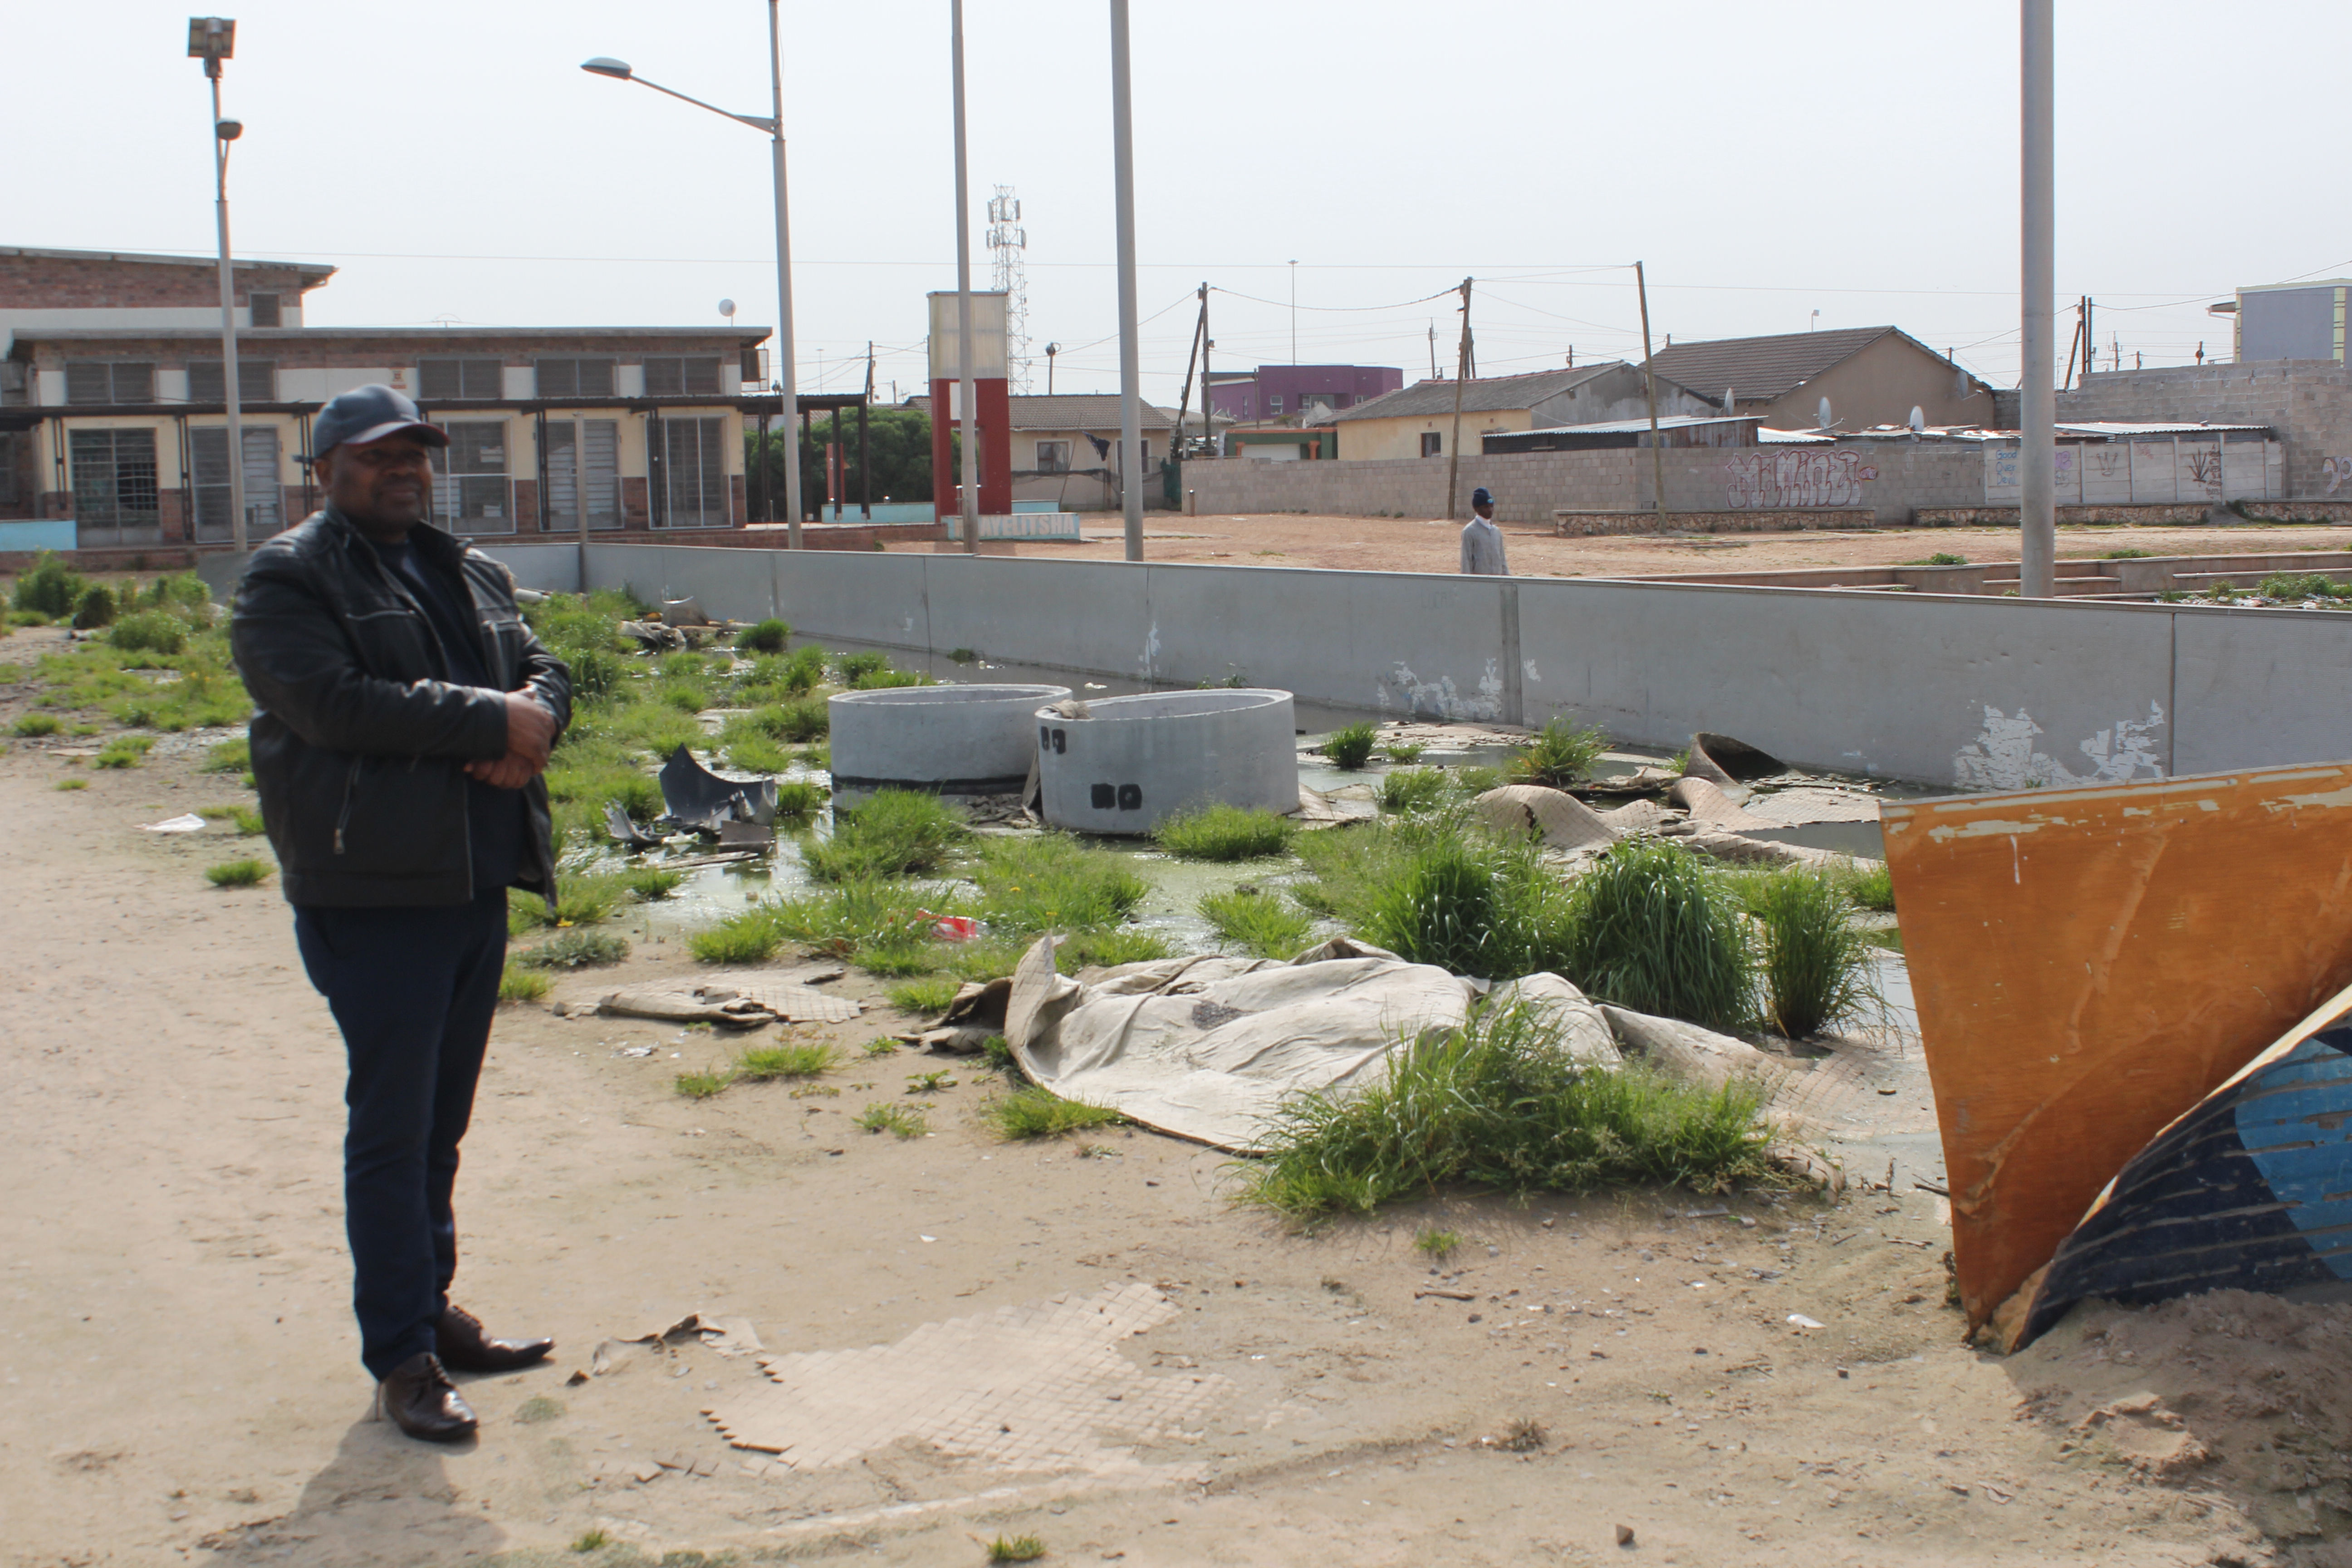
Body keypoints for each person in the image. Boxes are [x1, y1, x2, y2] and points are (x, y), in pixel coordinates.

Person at [230, 384, 572, 1443]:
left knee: (440, 1123)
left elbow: (543, 664)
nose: (403, 469)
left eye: (415, 451)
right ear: (325, 466)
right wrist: (490, 715)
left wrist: (535, 719)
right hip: (373, 889)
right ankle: (403, 1358)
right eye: (377, 455)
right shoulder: (290, 576)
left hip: (472, 876)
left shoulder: (467, 565)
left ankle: (430, 1308)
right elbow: (331, 702)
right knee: (391, 1127)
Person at [1460, 485, 1510, 576]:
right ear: (1476, 508)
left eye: (1492, 506)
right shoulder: (1470, 531)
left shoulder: (1496, 532)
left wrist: (1507, 579)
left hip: (1497, 584)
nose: (1490, 510)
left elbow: (1502, 560)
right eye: (1486, 507)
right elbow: (1466, 562)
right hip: (1480, 585)